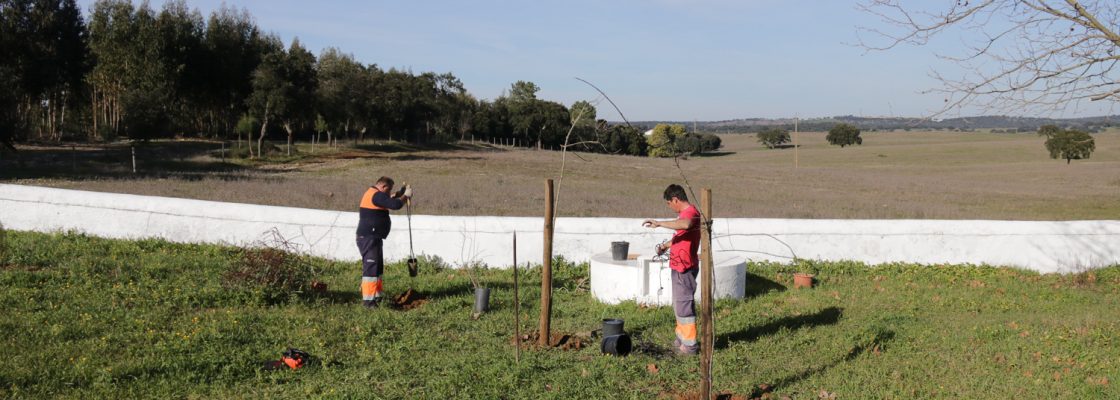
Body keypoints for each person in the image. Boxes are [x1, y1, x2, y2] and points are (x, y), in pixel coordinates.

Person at [643, 184, 701, 355]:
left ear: (675, 200)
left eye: (669, 203)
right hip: (678, 266)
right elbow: (681, 235)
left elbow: (686, 224)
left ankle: (690, 346)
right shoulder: (682, 215)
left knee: (684, 307)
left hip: (684, 268)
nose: (670, 207)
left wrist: (659, 223)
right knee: (679, 306)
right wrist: (665, 246)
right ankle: (681, 338)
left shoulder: (690, 214)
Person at [356, 176, 411, 308]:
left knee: (377, 268)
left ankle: (377, 295)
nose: (389, 193)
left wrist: (400, 193)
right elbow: (396, 205)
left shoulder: (374, 194)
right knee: (371, 268)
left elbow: (387, 200)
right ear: (383, 187)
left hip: (373, 237)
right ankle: (368, 301)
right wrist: (405, 196)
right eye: (389, 190)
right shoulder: (376, 195)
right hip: (369, 238)